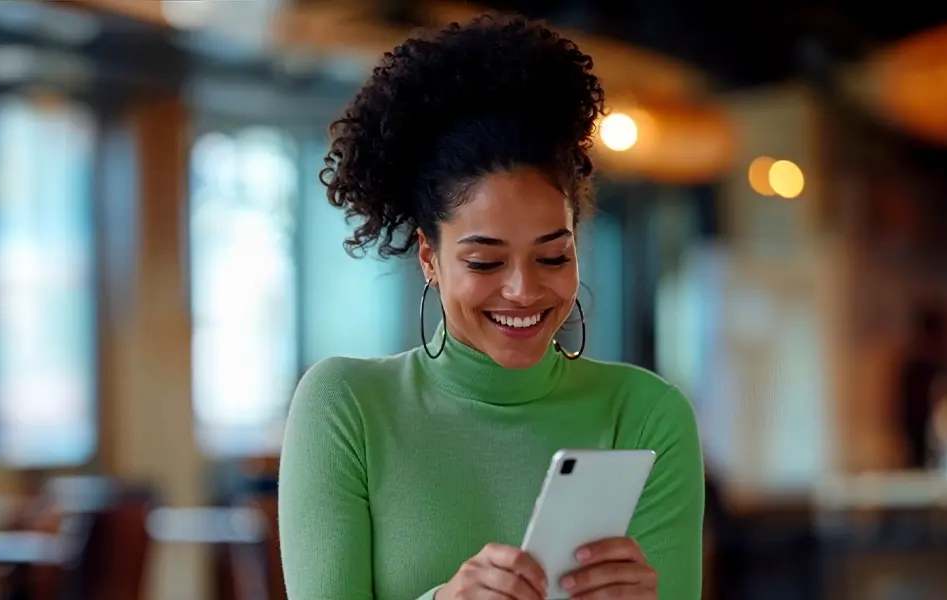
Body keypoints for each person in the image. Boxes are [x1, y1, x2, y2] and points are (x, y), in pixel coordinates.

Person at [278, 14, 704, 600]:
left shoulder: (647, 417)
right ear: (429, 256)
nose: (524, 291)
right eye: (485, 262)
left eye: (554, 257)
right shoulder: (346, 407)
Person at [896, 304, 947, 470]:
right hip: (919, 444)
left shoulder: (942, 367)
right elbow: (907, 413)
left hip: (942, 445)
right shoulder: (915, 370)